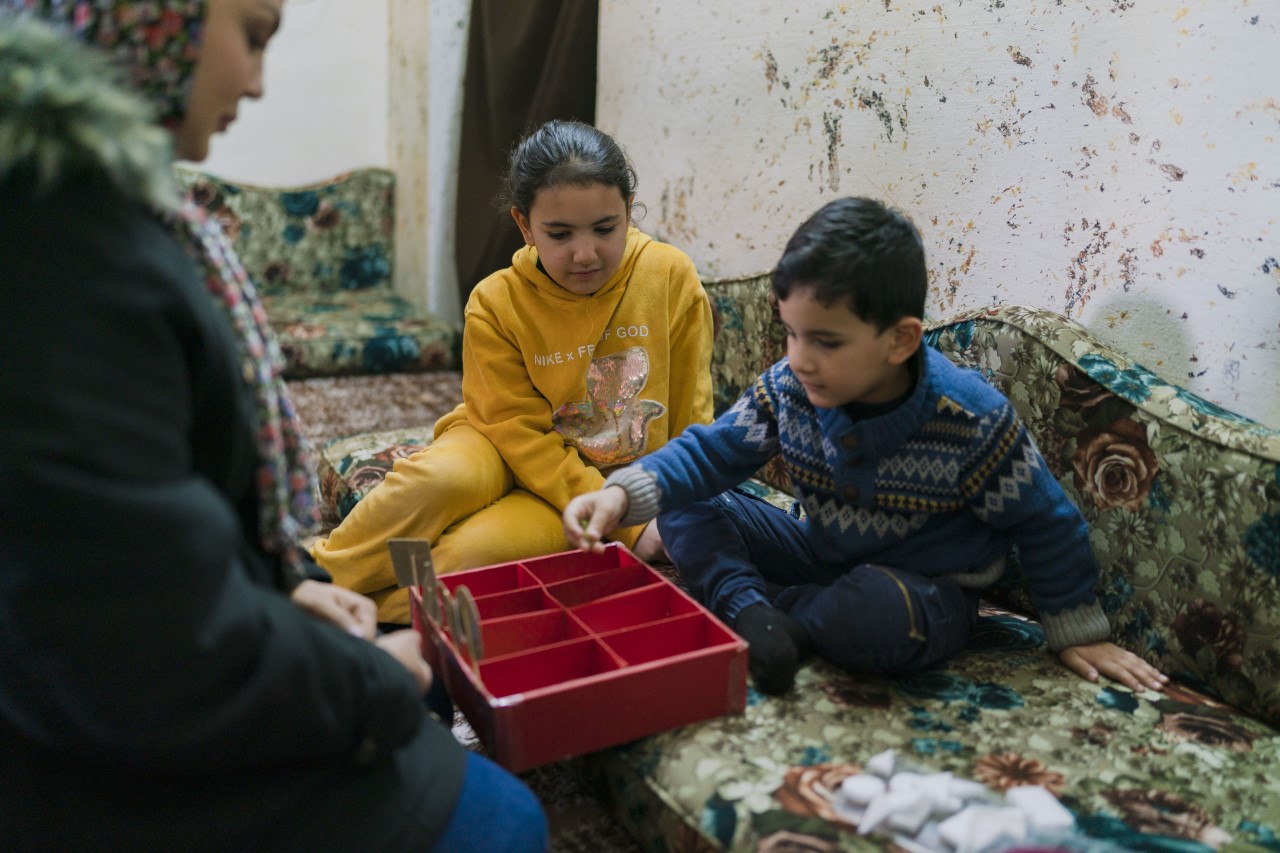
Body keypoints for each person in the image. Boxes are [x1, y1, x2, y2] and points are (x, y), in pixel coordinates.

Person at [0, 2, 546, 850]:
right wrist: (369, 676)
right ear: (155, 17)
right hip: (99, 763)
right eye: (252, 35)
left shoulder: (90, 221)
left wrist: (280, 584)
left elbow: (128, 530)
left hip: (121, 691)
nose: (256, 82)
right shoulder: (68, 257)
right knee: (508, 821)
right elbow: (141, 642)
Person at [563, 196, 1171, 698]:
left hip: (921, 591)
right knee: (687, 501)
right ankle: (754, 613)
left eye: (825, 341)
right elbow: (711, 452)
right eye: (791, 333)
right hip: (819, 548)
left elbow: (1047, 521)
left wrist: (1075, 630)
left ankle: (772, 614)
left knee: (881, 615)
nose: (799, 359)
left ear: (901, 340)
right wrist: (622, 494)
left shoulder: (970, 418)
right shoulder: (789, 386)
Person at [311, 119, 715, 626]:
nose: (585, 253)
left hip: (603, 489)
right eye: (560, 234)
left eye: (605, 228)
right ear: (524, 225)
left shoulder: (671, 277)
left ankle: (351, 611)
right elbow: (516, 431)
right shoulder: (494, 302)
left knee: (469, 557)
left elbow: (692, 418)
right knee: (437, 482)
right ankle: (309, 582)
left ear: (629, 212)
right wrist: (628, 527)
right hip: (502, 445)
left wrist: (651, 511)